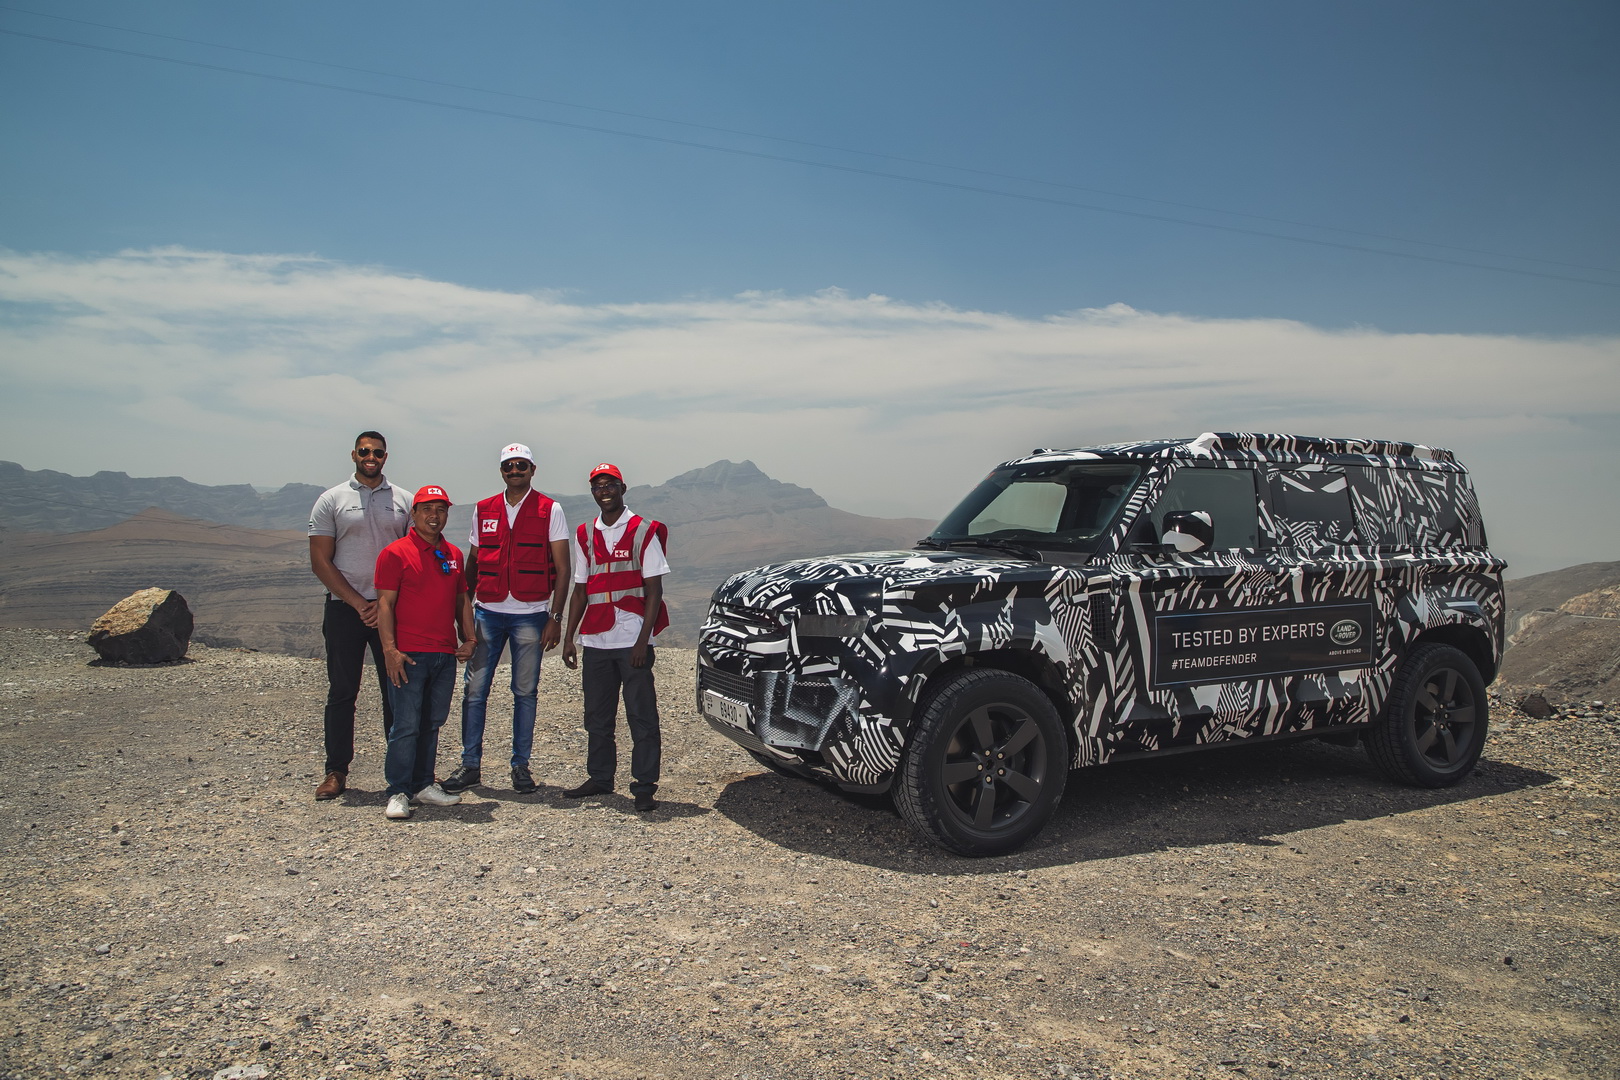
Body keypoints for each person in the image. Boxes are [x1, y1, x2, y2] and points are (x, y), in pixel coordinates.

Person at [440, 443, 570, 795]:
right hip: (488, 612)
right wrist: (463, 611)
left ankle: (520, 766)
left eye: (521, 465)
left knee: (525, 692)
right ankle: (470, 765)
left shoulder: (549, 509)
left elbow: (563, 568)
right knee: (474, 691)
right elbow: (473, 561)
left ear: (533, 469)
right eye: (509, 466)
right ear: (501, 471)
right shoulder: (484, 510)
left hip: (530, 614)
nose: (515, 471)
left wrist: (555, 617)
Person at [307, 431, 412, 800]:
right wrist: (357, 603)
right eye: (365, 451)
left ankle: (401, 774)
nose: (371, 457)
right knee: (342, 692)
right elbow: (320, 560)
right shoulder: (331, 499)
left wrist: (382, 606)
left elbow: (413, 558)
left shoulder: (404, 500)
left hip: (391, 610)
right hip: (345, 610)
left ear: (386, 456)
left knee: (395, 691)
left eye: (378, 452)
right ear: (354, 454)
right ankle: (336, 771)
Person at [561, 463, 670, 812]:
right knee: (597, 715)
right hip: (595, 639)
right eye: (597, 486)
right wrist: (569, 638)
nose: (604, 491)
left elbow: (654, 590)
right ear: (592, 492)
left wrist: (643, 640)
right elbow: (580, 591)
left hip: (631, 638)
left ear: (623, 488)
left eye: (610, 485)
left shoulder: (642, 530)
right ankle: (600, 777)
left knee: (641, 715)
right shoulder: (584, 534)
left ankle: (644, 786)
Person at [374, 485, 476, 820]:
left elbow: (461, 600)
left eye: (441, 510)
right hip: (409, 654)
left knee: (432, 722)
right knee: (405, 725)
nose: (435, 516)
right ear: (414, 514)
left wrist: (469, 638)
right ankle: (398, 791)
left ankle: (422, 784)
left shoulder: (453, 554)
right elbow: (385, 605)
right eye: (427, 509)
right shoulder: (395, 553)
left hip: (443, 653)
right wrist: (389, 650)